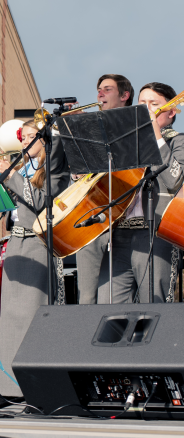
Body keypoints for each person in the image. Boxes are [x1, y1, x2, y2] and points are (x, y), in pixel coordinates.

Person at [0, 119, 67, 396]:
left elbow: (42, 201)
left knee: (33, 314)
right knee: (10, 316)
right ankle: (6, 386)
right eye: (22, 137)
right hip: (16, 242)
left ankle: (33, 387)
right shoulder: (22, 168)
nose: (23, 141)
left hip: (39, 240)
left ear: (44, 140)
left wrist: (10, 176)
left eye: (30, 136)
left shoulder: (55, 169)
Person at [95, 82, 184, 303]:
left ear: (171, 112)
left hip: (157, 232)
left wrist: (156, 137)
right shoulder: (125, 143)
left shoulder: (177, 141)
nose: (145, 109)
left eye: (153, 104)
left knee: (153, 307)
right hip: (119, 233)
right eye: (141, 103)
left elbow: (175, 180)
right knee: (108, 307)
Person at [77, 74, 134, 304]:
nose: (100, 93)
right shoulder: (90, 127)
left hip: (126, 218)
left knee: (114, 299)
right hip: (94, 215)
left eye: (107, 89)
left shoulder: (135, 124)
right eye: (99, 89)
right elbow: (79, 173)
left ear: (124, 96)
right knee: (87, 296)